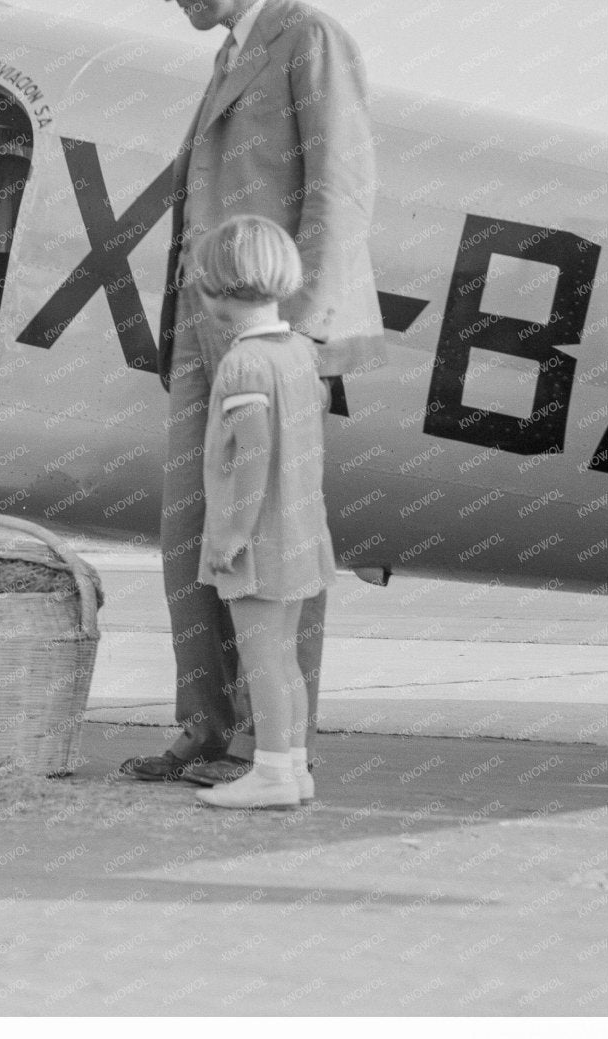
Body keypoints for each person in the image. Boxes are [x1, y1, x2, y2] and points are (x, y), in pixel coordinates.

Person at [120, 0, 386, 785]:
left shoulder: (310, 39)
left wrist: (301, 334)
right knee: (191, 527)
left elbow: (339, 192)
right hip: (207, 326)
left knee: (269, 538)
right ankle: (204, 726)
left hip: (267, 328)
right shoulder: (238, 50)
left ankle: (269, 747)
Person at [182, 216, 336, 809]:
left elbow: (253, 455)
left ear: (214, 290)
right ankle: (292, 767)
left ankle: (271, 774)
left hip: (259, 539)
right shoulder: (300, 352)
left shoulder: (243, 365)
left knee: (261, 658)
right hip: (301, 531)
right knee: (286, 658)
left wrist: (230, 535)